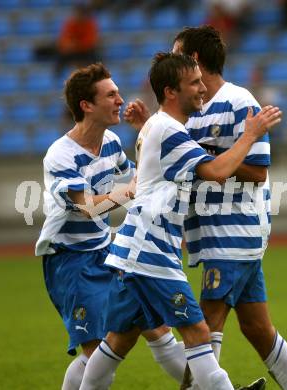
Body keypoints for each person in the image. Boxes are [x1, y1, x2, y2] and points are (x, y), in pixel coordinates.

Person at [80, 52, 281, 390]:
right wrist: (250, 134)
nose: (203, 89)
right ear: (171, 91)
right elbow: (216, 172)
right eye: (195, 83)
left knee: (119, 340)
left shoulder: (162, 128)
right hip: (150, 251)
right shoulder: (169, 131)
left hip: (138, 248)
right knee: (198, 332)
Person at [125, 25, 287, 390]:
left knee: (204, 323)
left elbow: (257, 171)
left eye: (177, 51)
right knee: (258, 329)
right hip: (209, 231)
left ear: (193, 59)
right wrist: (150, 125)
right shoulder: (190, 106)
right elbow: (181, 154)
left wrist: (211, 156)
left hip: (234, 231)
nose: (172, 56)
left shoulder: (240, 102)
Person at [35, 62, 173, 390]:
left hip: (105, 252)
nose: (120, 100)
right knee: (97, 350)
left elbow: (139, 175)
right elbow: (87, 208)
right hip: (71, 260)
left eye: (118, 93)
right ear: (87, 105)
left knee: (154, 325)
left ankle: (209, 385)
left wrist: (145, 130)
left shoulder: (110, 141)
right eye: (111, 95)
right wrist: (131, 189)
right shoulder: (61, 155)